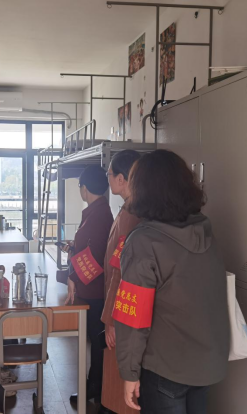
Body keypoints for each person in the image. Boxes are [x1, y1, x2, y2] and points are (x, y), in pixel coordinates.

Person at [115, 150, 230, 413]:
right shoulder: (204, 230)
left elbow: (133, 318)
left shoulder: (144, 241)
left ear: (142, 189)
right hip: (207, 364)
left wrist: (129, 373)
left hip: (165, 368)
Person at [65, 166, 114, 407]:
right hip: (91, 288)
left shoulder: (99, 214)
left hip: (95, 291)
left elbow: (95, 258)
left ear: (84, 189)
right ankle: (95, 386)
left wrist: (73, 277)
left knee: (97, 341)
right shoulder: (97, 211)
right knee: (95, 341)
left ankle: (96, 387)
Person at [101, 150, 142, 414]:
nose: (107, 178)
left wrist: (110, 319)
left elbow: (120, 270)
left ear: (121, 179)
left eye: (109, 173)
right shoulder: (129, 207)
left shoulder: (131, 214)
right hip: (122, 306)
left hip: (122, 310)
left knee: (123, 380)